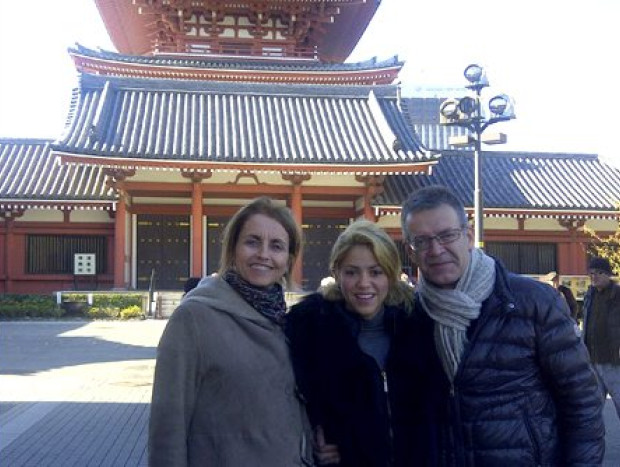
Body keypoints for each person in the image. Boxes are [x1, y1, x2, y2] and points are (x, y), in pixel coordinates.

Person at [400, 185, 605, 466]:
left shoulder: (532, 301)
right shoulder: (410, 315)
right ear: (411, 251)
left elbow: (583, 401)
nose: (436, 250)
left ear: (468, 236)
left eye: (447, 235)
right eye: (422, 241)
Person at [149, 197, 313, 466]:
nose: (263, 254)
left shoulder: (286, 321)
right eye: (252, 241)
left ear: (288, 259)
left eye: (277, 246)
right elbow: (168, 424)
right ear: (233, 248)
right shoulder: (194, 318)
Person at [286, 220, 426, 467]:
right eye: (352, 272)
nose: (364, 283)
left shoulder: (420, 330)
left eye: (376, 272)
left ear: (391, 275)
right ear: (336, 273)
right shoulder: (309, 334)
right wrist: (310, 441)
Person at [583, 256, 620, 421]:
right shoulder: (589, 295)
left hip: (614, 360)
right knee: (592, 408)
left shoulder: (617, 295)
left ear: (608, 275)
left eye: (598, 273)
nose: (594, 277)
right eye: (591, 273)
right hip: (592, 360)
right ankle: (592, 444)